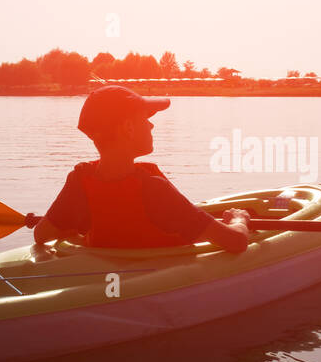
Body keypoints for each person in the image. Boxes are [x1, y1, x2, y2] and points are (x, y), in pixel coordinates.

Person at [24, 85, 252, 253]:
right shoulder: (155, 190)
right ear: (128, 128)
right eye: (146, 118)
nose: (151, 124)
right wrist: (239, 220)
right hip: (156, 285)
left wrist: (75, 223)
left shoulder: (80, 181)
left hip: (104, 277)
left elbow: (41, 234)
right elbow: (236, 242)